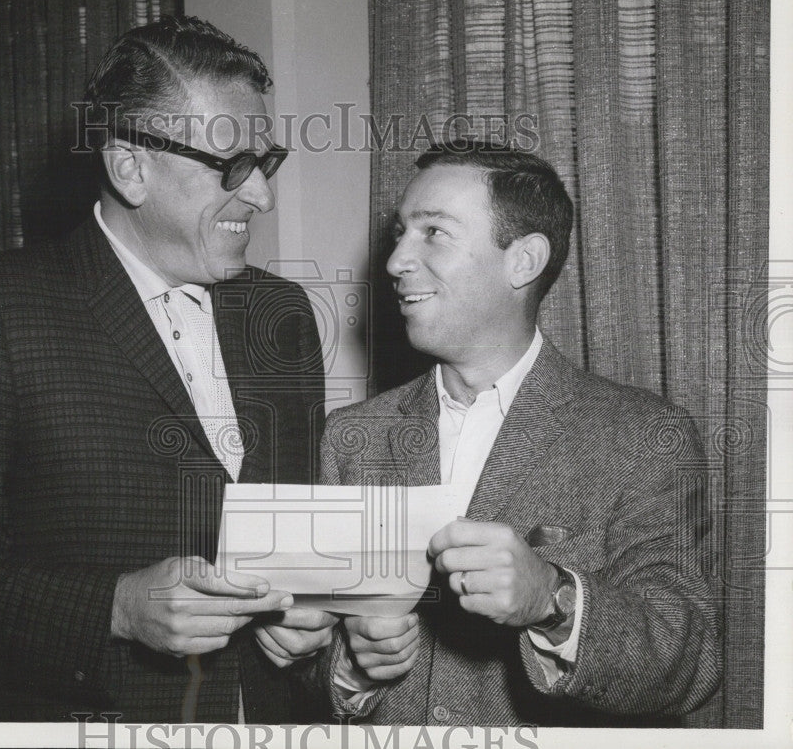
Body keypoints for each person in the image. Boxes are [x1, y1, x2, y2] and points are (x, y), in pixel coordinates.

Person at [0, 15, 331, 723]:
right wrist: (114, 609)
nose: (262, 197)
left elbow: (290, 545)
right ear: (129, 167)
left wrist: (307, 618)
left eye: (266, 163)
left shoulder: (282, 314)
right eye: (232, 167)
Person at [263, 140, 721, 726]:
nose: (396, 261)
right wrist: (352, 667)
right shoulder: (352, 439)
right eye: (401, 231)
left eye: (433, 232)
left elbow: (689, 663)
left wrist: (553, 599)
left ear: (523, 261)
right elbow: (310, 660)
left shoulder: (644, 437)